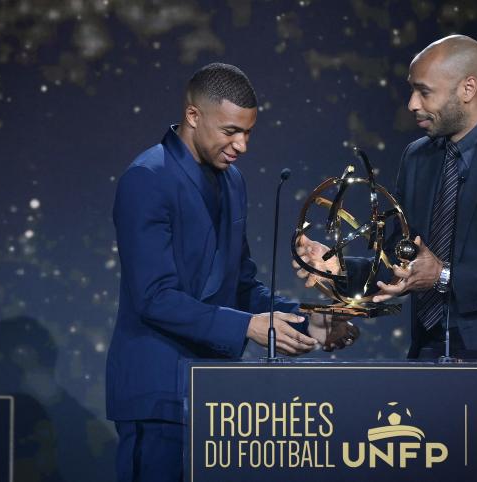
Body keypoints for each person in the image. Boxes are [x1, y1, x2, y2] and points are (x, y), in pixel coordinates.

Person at [107, 63, 356, 482]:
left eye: (248, 132)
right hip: (157, 394)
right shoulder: (147, 178)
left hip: (218, 396)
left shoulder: (233, 181)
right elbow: (153, 297)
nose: (242, 145)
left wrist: (307, 319)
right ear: (193, 115)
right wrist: (246, 327)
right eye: (230, 131)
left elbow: (240, 285)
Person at [294, 35, 477, 407]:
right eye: (412, 90)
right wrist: (339, 267)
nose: (412, 104)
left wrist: (444, 276)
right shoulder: (417, 157)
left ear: (468, 88)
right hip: (431, 355)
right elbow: (403, 259)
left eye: (424, 92)